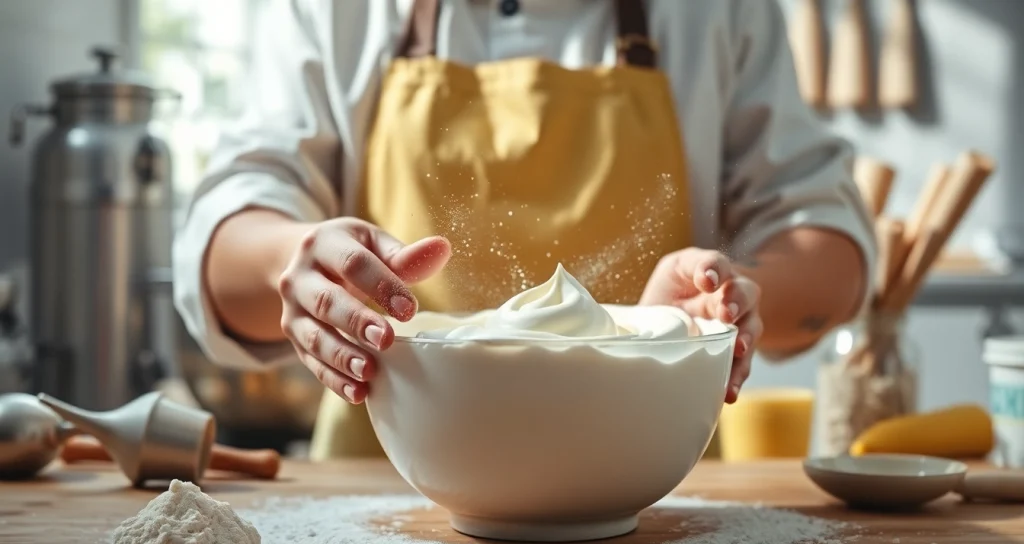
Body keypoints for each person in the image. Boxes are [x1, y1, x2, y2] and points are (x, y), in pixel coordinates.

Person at [173, 0, 875, 459]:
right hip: (380, 489)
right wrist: (291, 268)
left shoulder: (715, 11)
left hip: (662, 500)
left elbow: (826, 244)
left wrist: (730, 301)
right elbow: (227, 238)